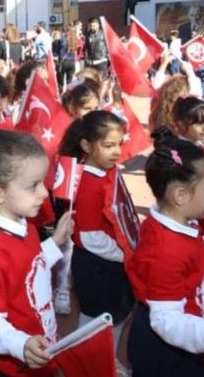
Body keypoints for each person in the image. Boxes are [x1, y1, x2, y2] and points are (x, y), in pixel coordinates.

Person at [126, 133, 204, 376]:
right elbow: (167, 321)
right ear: (180, 195)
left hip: (185, 334)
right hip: (167, 348)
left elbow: (186, 251)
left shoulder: (175, 221)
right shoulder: (165, 251)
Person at [0, 129, 75, 377]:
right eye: (33, 185)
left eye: (43, 182)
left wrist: (55, 242)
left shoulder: (26, 224)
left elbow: (30, 267)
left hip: (38, 352)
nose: (44, 193)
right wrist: (21, 345)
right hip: (11, 368)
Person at [59, 111, 135, 375]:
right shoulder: (90, 183)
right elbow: (91, 237)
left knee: (114, 316)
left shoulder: (106, 173)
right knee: (93, 322)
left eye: (119, 144)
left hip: (109, 261)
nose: (116, 152)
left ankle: (106, 361)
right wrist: (127, 254)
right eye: (109, 145)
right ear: (86, 146)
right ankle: (83, 365)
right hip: (97, 264)